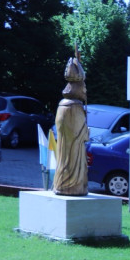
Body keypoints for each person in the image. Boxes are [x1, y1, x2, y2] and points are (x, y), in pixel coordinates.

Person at [52, 50, 89, 196]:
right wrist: (86, 132)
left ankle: (64, 184)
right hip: (73, 152)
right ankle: (71, 185)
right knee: (72, 167)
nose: (85, 90)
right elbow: (79, 134)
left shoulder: (63, 105)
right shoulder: (74, 106)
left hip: (66, 149)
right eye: (83, 87)